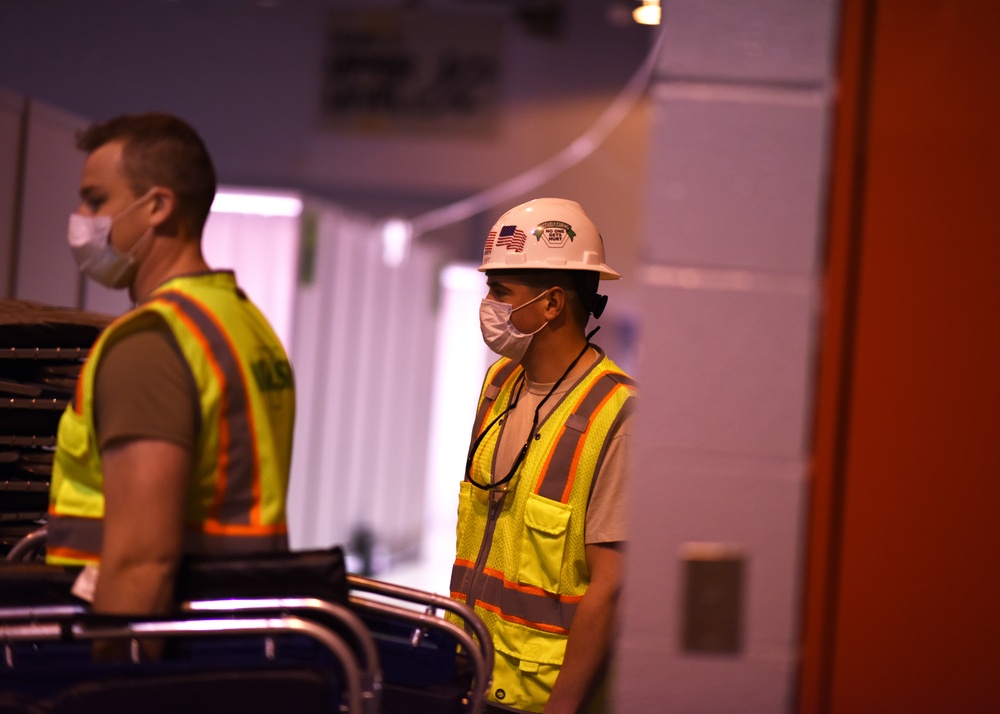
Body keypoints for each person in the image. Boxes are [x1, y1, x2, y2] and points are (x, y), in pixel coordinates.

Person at [45, 113, 296, 623]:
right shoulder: (244, 321)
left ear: (157, 206)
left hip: (166, 654)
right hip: (231, 633)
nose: (80, 217)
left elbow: (142, 563)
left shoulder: (151, 342)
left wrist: (107, 689)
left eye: (96, 200)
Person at [451, 198, 637, 713]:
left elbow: (610, 588)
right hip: (469, 675)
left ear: (553, 303)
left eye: (500, 291)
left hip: (542, 698)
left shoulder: (617, 413)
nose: (488, 304)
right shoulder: (499, 384)